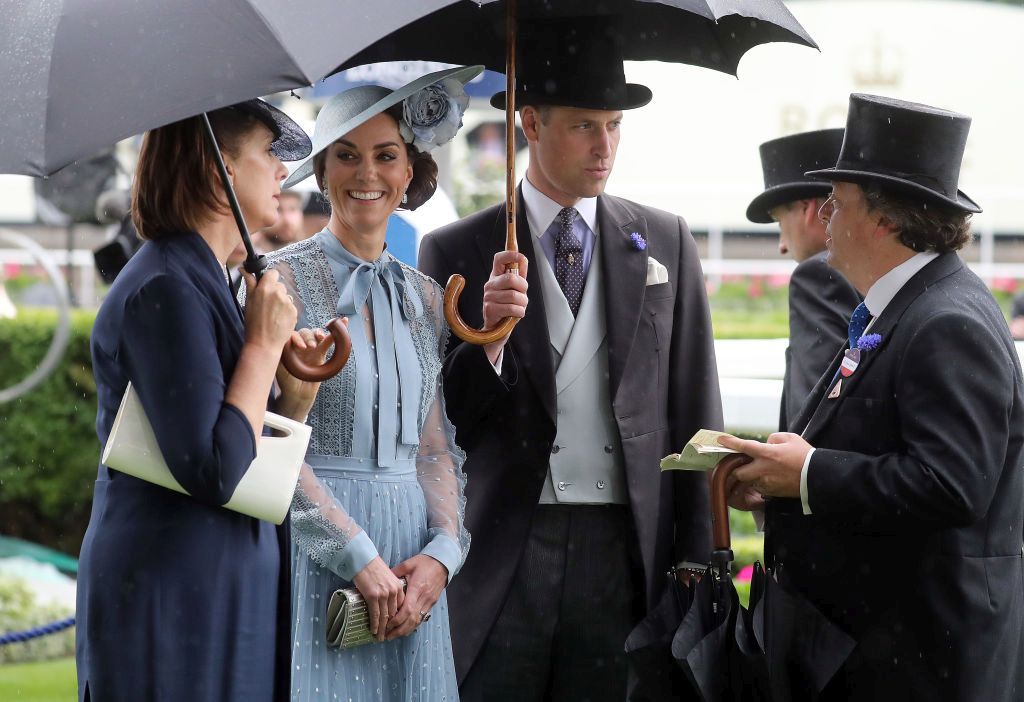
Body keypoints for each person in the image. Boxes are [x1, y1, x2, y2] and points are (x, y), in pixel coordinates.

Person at [418, 20, 722, 702]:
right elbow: (440, 424)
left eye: (615, 126)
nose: (605, 146)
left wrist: (698, 557)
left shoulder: (664, 239)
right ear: (530, 121)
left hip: (626, 547)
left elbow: (695, 404)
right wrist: (488, 340)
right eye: (586, 126)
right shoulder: (455, 251)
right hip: (504, 548)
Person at [721, 94, 1024, 701]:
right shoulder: (907, 306)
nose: (824, 217)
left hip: (917, 661)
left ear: (884, 220)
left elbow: (951, 485)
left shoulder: (945, 321)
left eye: (838, 201)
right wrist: (779, 485)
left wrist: (806, 473)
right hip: (880, 651)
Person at [251, 65, 482, 702]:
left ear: (409, 171)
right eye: (347, 156)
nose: (366, 174)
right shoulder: (275, 282)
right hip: (314, 552)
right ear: (323, 172)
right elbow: (264, 443)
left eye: (385, 155)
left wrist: (441, 554)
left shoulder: (428, 298)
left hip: (411, 560)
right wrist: (354, 553)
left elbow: (434, 449)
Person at [78, 99, 311, 701]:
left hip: (216, 580)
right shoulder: (166, 287)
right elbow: (212, 467)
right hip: (175, 589)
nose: (283, 171)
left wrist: (293, 394)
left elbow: (239, 441)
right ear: (220, 172)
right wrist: (260, 345)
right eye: (267, 153)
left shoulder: (205, 279)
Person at [745, 129, 860, 430]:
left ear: (810, 210)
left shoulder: (818, 275)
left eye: (780, 220)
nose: (782, 244)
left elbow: (813, 416)